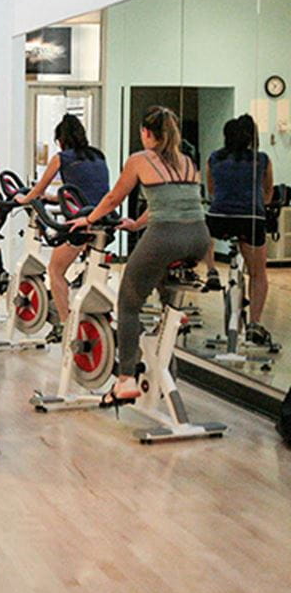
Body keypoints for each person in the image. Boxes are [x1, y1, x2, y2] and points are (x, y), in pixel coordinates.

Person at [70, 106, 210, 406]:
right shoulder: (187, 161)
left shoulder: (139, 159)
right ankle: (163, 352)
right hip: (198, 238)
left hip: (166, 238)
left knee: (128, 303)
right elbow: (173, 201)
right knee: (160, 288)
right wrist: (136, 224)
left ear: (146, 133)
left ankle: (126, 380)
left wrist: (89, 220)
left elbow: (113, 198)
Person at [15, 113, 110, 340]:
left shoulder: (61, 158)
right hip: (104, 218)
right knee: (88, 267)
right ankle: (91, 312)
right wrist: (54, 199)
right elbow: (90, 191)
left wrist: (24, 199)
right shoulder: (98, 155)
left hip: (84, 222)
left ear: (61, 139)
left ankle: (66, 325)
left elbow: (37, 189)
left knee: (55, 270)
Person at [202, 114, 275, 345]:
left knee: (206, 234)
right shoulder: (262, 160)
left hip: (219, 217)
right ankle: (254, 323)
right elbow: (268, 192)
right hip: (250, 218)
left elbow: (211, 190)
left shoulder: (214, 158)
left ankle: (212, 270)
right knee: (258, 274)